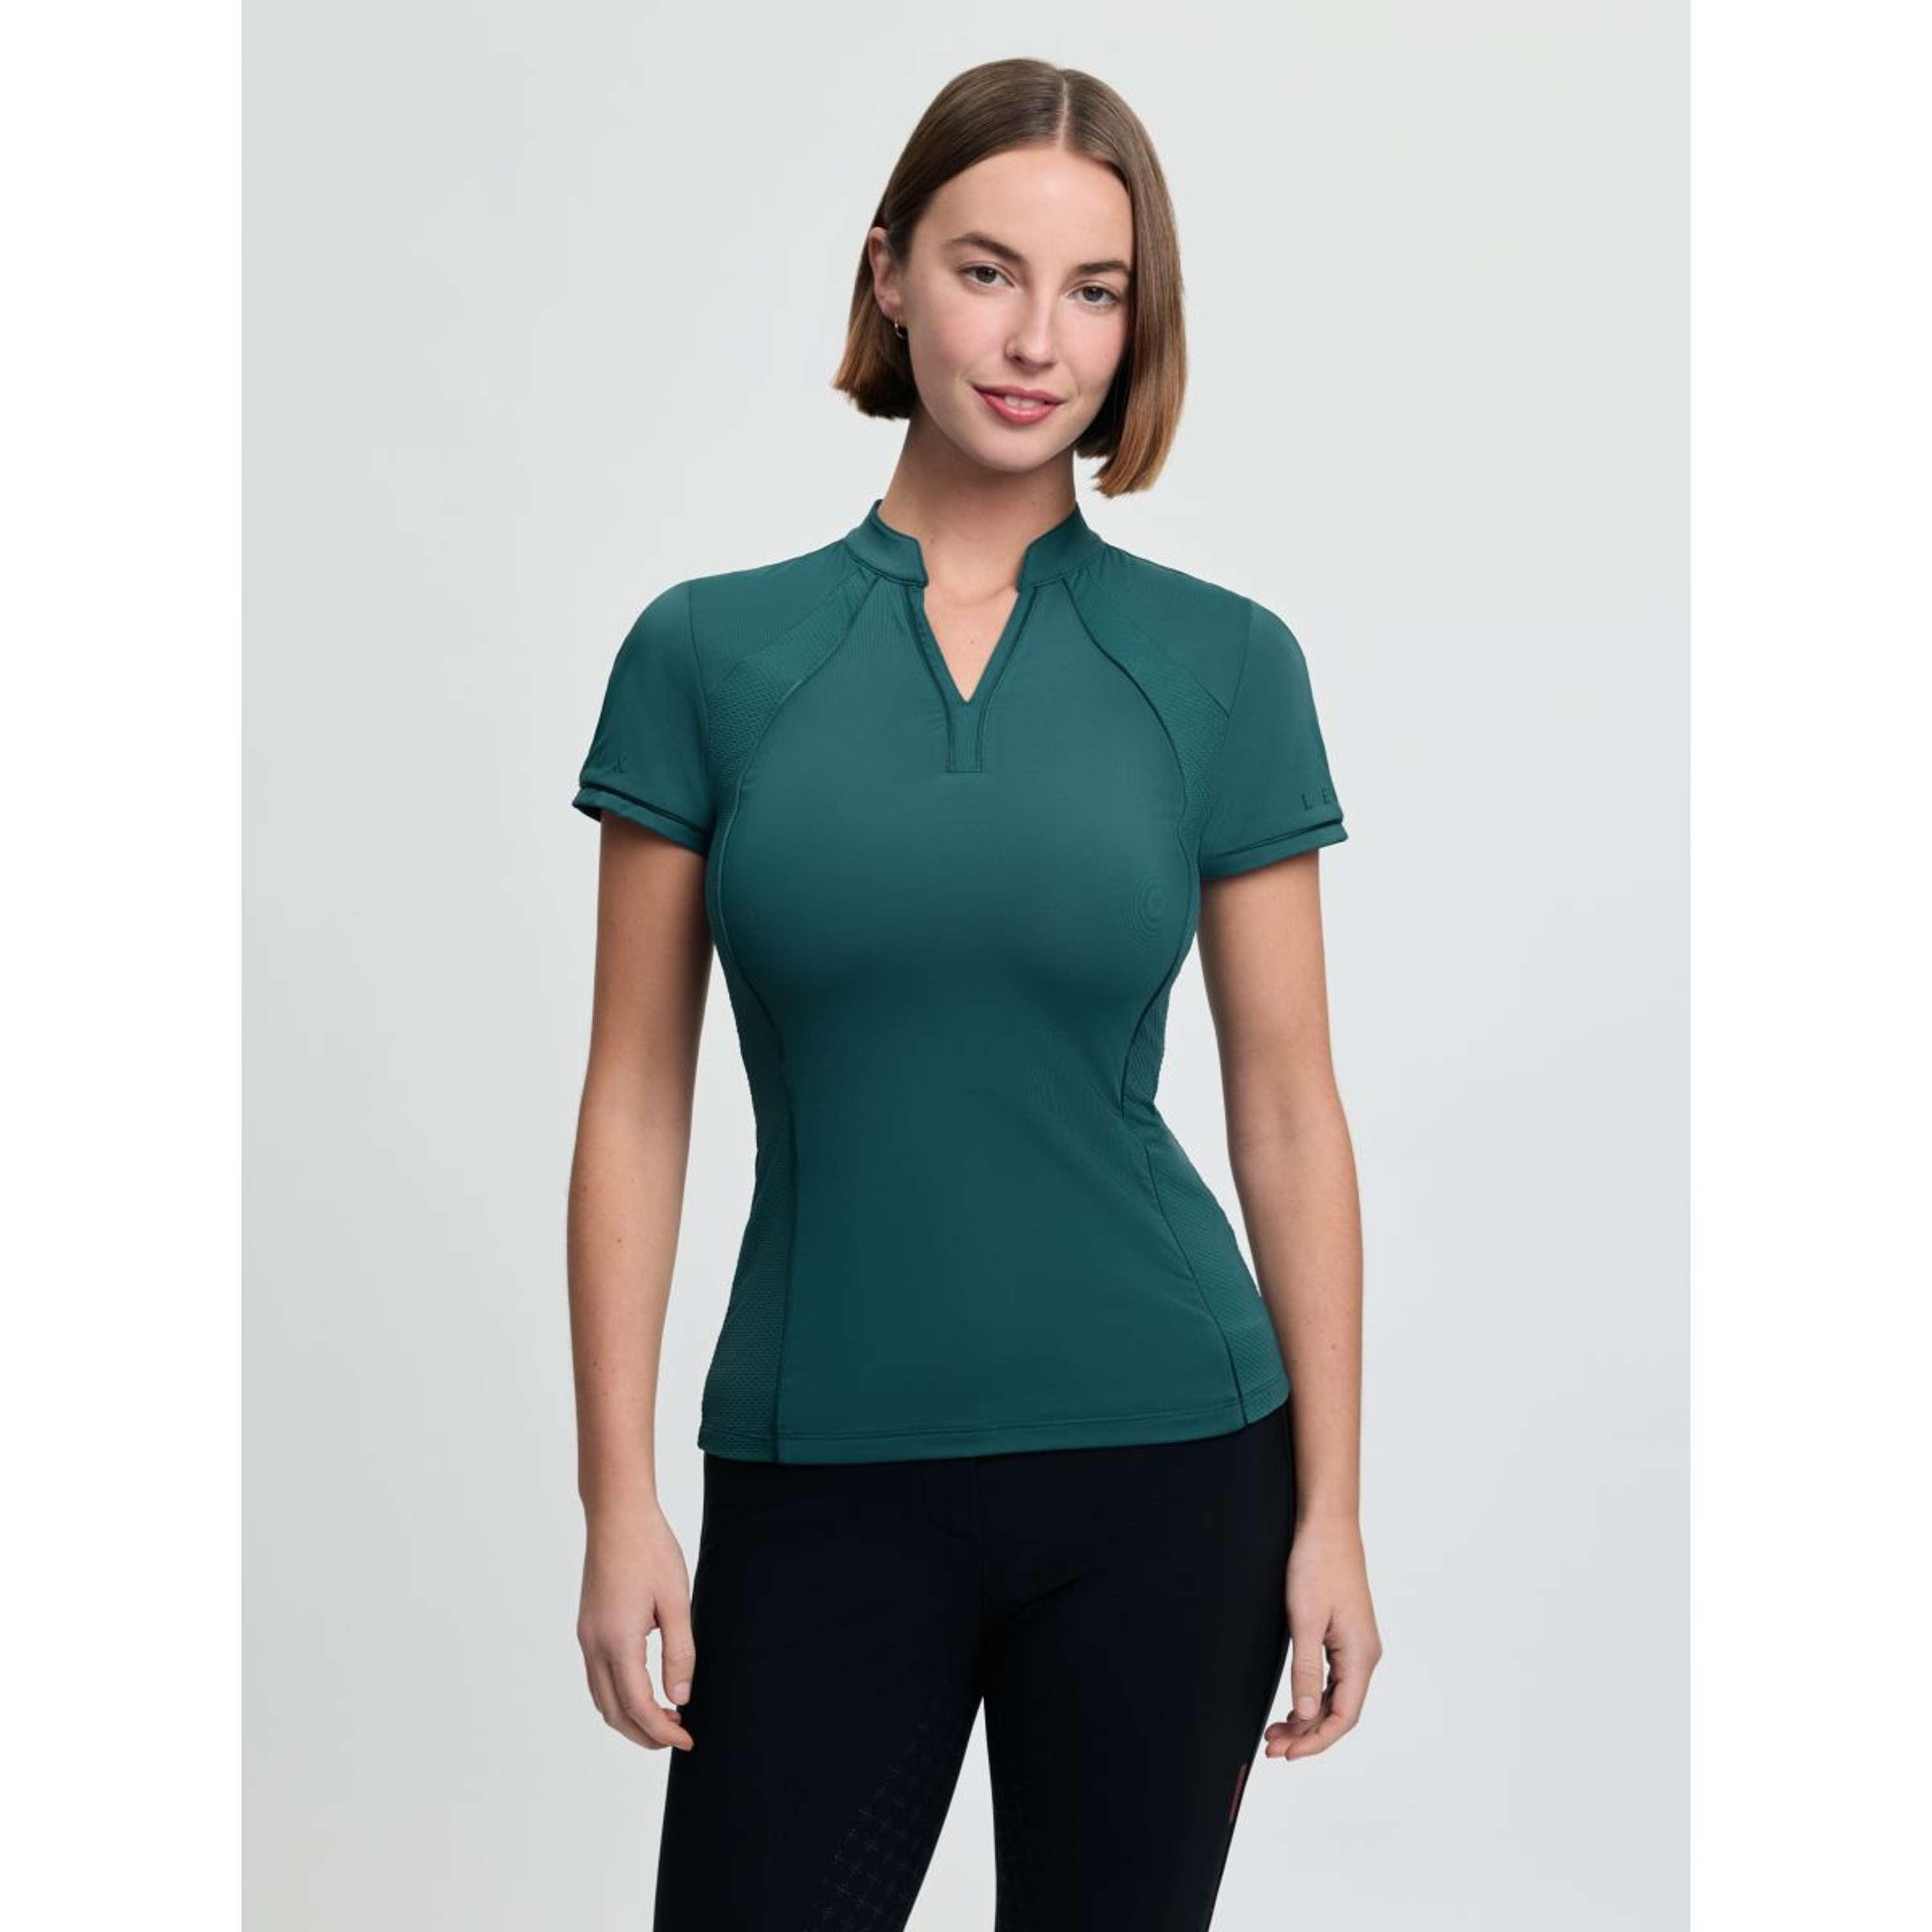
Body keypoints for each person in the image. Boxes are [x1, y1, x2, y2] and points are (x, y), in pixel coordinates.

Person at [565, 56, 1383, 1929]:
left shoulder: (1224, 665)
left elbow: (1285, 1103)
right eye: (987, 270)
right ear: (888, 274)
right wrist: (617, 1498)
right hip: (822, 1464)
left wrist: (1333, 1507)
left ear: (1138, 324)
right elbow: (634, 1096)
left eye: (1095, 289)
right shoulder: (710, 654)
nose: (1036, 341)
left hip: (1173, 1466)